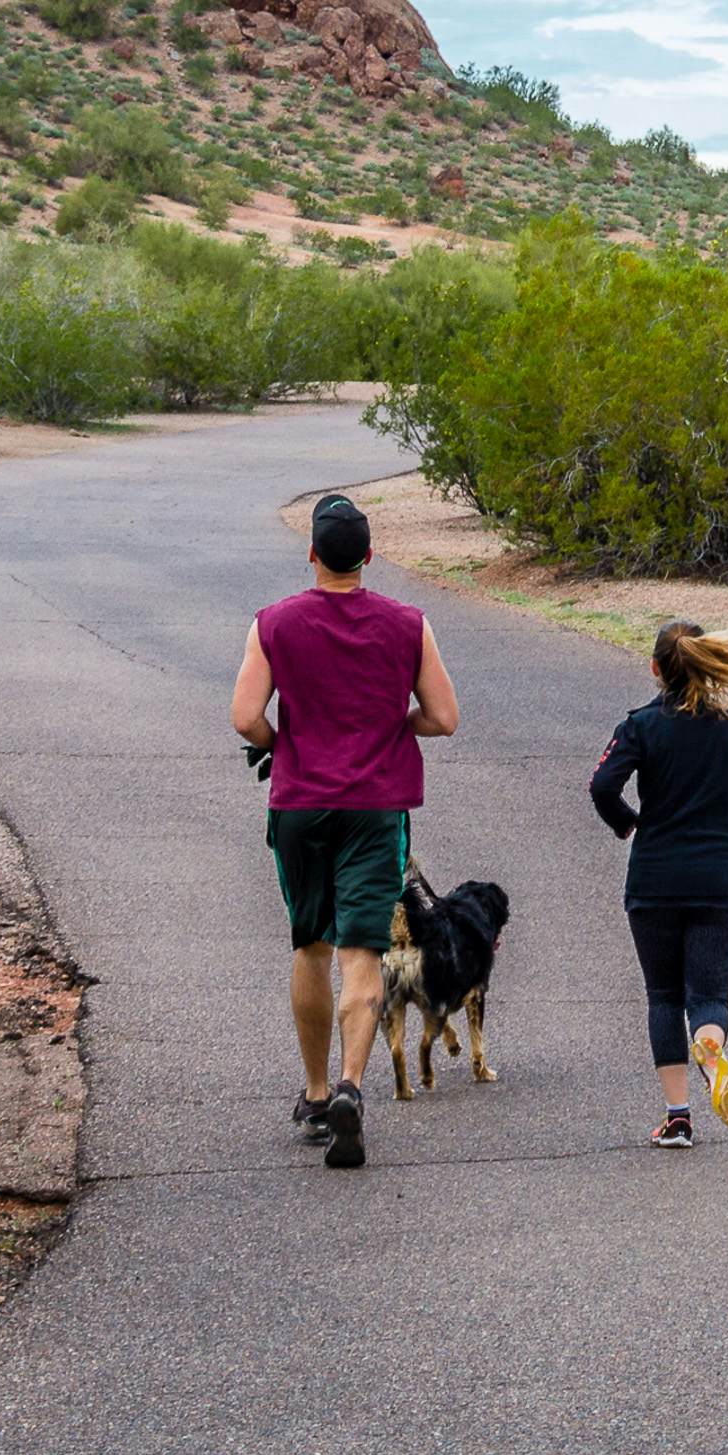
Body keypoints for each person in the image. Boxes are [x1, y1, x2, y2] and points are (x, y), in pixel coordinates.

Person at [231, 494, 458, 1170]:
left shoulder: (273, 623)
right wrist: (396, 726)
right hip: (375, 806)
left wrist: (285, 742)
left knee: (311, 945)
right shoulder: (408, 624)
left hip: (301, 804)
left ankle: (315, 1091)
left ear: (311, 554)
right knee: (363, 951)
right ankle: (354, 1088)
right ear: (368, 553)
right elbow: (443, 717)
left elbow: (246, 718)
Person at [587, 620, 728, 1149]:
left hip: (654, 878)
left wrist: (630, 822)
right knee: (709, 995)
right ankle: (711, 1047)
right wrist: (723, 822)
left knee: (663, 996)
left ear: (655, 669)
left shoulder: (641, 725)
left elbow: (603, 784)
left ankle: (678, 1118)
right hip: (718, 878)